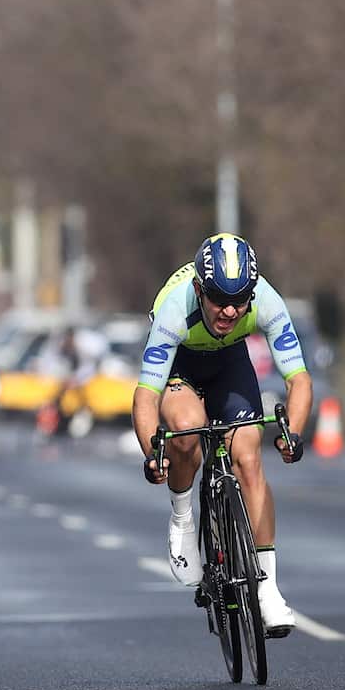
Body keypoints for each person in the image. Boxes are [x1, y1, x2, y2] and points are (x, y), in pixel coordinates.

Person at [132, 233, 310, 636]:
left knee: (248, 457)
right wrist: (151, 452)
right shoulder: (175, 309)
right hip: (181, 365)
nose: (230, 310)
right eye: (217, 299)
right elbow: (145, 396)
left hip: (230, 362)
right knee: (184, 431)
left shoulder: (266, 300)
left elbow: (298, 379)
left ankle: (267, 590)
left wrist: (293, 433)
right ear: (200, 290)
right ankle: (182, 516)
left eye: (240, 299)